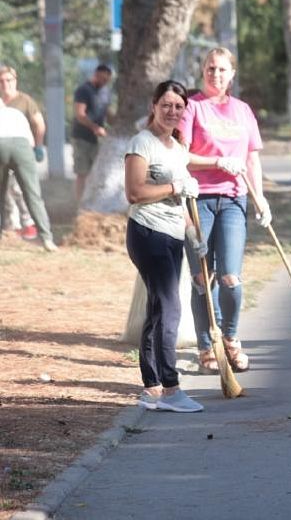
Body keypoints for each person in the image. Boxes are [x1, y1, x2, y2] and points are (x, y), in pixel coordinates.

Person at [179, 47, 265, 374]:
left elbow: (252, 159)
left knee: (229, 276)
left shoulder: (243, 111)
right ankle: (206, 346)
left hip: (232, 200)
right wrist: (216, 162)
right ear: (203, 71)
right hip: (197, 200)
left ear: (232, 74)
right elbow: (181, 155)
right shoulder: (192, 108)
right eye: (211, 68)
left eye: (222, 70)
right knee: (203, 278)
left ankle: (229, 338)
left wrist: (261, 199)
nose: (216, 74)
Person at [123, 80, 204, 412]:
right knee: (170, 306)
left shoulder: (177, 146)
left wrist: (193, 233)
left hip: (172, 234)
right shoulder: (141, 144)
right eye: (166, 105)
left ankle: (152, 386)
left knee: (158, 308)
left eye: (179, 107)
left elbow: (181, 200)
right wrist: (175, 185)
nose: (173, 111)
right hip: (147, 233)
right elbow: (135, 193)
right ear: (154, 105)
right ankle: (172, 389)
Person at [0, 101, 56, 251]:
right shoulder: (16, 114)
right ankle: (47, 239)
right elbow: (31, 141)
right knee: (32, 194)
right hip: (22, 145)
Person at [0, 66, 46, 240]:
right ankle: (10, 226)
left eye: (9, 80)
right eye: (2, 81)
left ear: (15, 80)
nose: (5, 84)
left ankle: (29, 223)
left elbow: (38, 123)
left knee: (21, 189)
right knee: (5, 191)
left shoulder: (24, 101)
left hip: (22, 150)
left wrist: (38, 146)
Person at [72, 63, 113, 201]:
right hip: (81, 137)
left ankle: (93, 200)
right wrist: (95, 128)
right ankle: (79, 203)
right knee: (82, 172)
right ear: (96, 75)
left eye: (107, 80)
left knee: (96, 172)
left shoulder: (105, 91)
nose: (104, 82)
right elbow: (80, 114)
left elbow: (107, 111)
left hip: (97, 139)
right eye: (102, 79)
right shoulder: (83, 90)